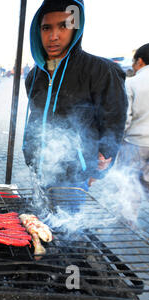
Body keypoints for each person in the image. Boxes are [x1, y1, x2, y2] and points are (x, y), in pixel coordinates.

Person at [22, 0, 128, 211]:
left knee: (64, 231)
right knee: (40, 224)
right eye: (46, 28)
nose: (53, 36)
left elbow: (114, 120)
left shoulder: (100, 70)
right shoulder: (34, 75)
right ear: (37, 31)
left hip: (73, 175)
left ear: (76, 29)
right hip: (41, 168)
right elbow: (35, 116)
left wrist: (99, 167)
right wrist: (30, 153)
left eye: (64, 26)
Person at [114, 43, 149, 219]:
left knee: (129, 185)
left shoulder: (132, 83)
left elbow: (124, 118)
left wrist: (118, 141)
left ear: (140, 61)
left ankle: (128, 223)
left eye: (135, 63)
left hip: (134, 143)